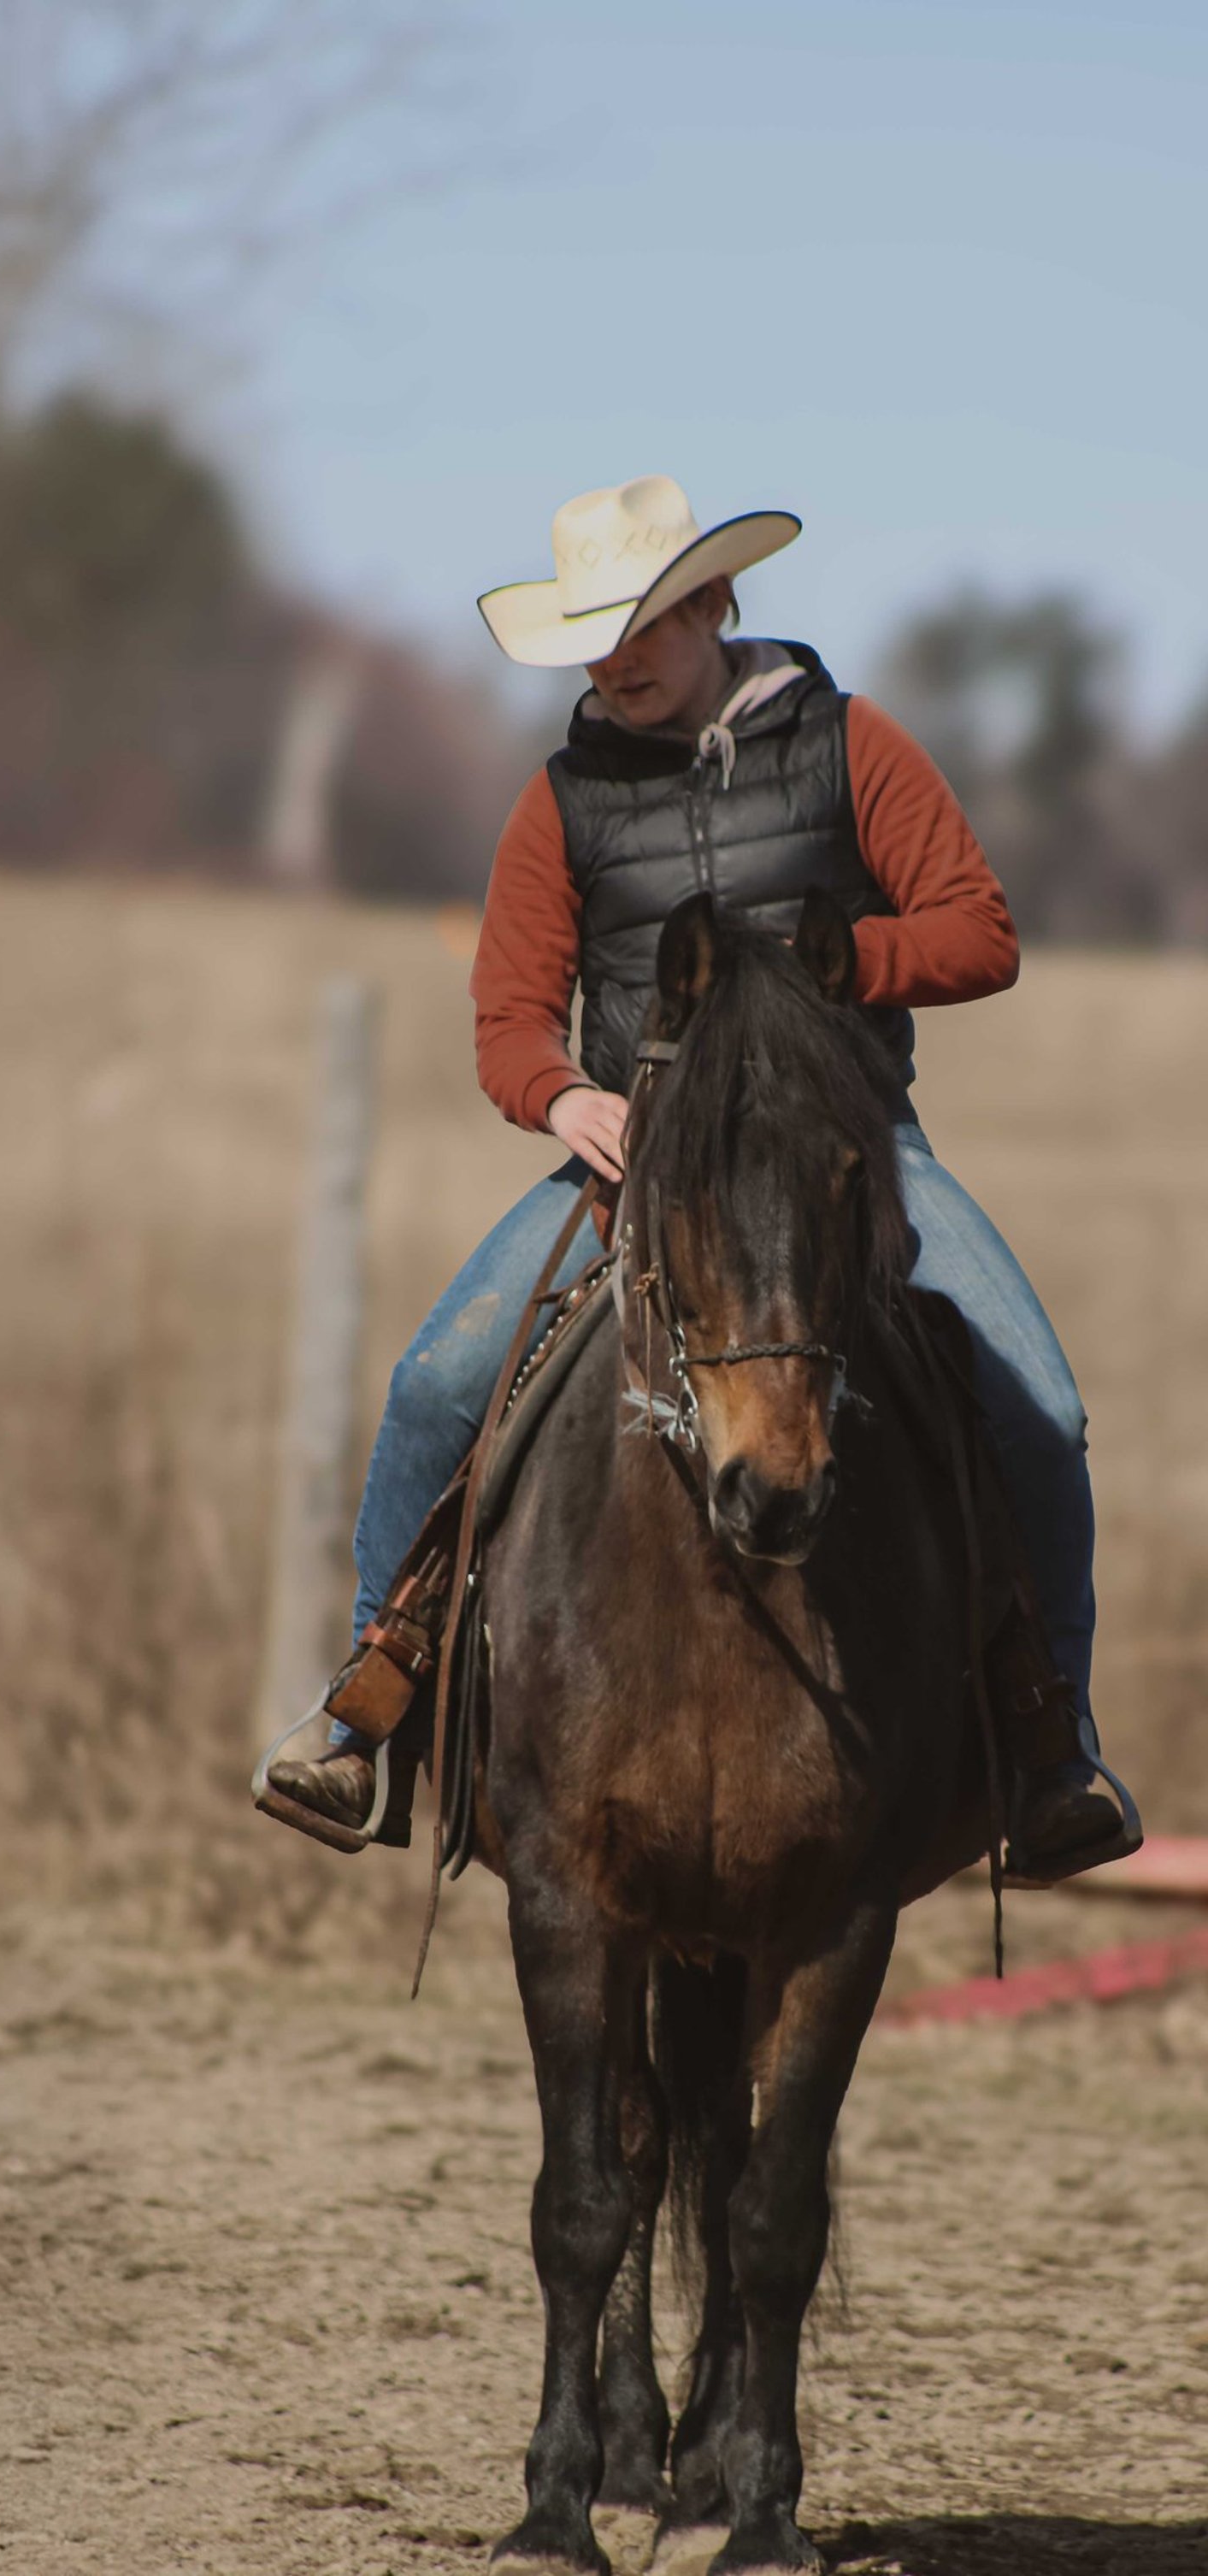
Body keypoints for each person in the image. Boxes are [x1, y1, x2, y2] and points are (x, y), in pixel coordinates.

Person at [261, 475, 1139, 1881]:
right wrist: (565, 1096)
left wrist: (850, 959)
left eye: (641, 624)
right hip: (639, 1171)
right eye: (591, 634)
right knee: (436, 1382)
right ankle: (368, 1705)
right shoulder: (562, 804)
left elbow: (981, 932)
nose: (614, 656)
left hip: (853, 1157)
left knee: (1044, 1404)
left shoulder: (857, 745)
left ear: (713, 604)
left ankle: (1052, 1746)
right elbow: (506, 1020)